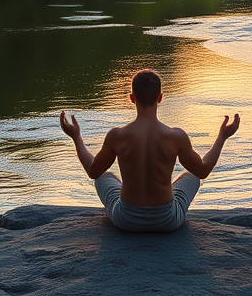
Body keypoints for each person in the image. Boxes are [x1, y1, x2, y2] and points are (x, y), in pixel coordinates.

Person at [59, 69, 240, 232]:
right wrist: (222, 136)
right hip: (167, 220)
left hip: (126, 220)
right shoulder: (176, 136)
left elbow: (93, 171)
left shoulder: (117, 135)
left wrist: (76, 137)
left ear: (132, 98)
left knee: (103, 177)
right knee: (192, 176)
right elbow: (203, 170)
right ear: (160, 98)